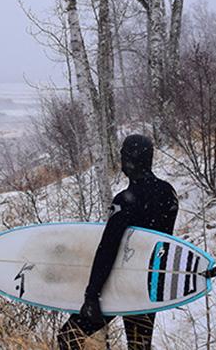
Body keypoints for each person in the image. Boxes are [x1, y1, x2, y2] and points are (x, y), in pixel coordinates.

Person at [57, 134, 179, 350]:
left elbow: (108, 248)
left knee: (69, 336)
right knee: (139, 347)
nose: (121, 159)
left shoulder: (125, 201)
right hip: (149, 286)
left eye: (123, 154)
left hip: (121, 284)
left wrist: (92, 294)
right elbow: (162, 243)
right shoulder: (168, 193)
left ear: (130, 159)